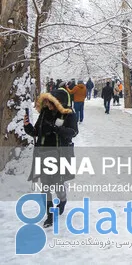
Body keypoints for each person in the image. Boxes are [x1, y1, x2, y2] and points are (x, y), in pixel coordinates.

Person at [24, 88, 78, 227]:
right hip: (43, 154)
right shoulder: (44, 113)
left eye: (51, 101)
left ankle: (63, 200)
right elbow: (36, 132)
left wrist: (55, 128)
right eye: (47, 101)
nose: (47, 104)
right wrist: (28, 127)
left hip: (60, 155)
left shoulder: (68, 114)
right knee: (45, 186)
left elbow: (72, 132)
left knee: (58, 184)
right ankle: (49, 215)